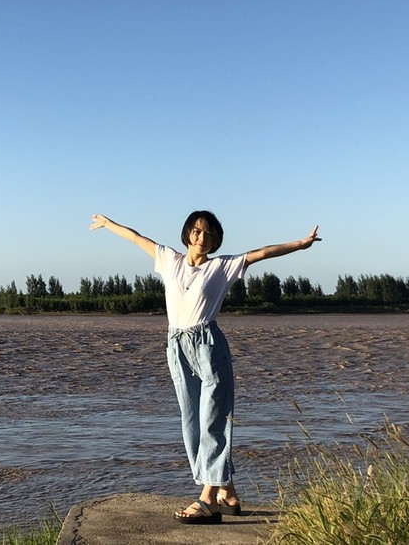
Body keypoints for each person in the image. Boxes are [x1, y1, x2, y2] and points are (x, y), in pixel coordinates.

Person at [89, 211, 320, 524]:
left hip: (208, 346)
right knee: (192, 422)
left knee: (213, 420)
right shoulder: (168, 259)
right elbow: (136, 238)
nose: (202, 238)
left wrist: (301, 244)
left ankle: (208, 499)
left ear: (216, 241)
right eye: (197, 231)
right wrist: (108, 224)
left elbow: (263, 253)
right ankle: (228, 492)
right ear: (188, 233)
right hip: (177, 346)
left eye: (209, 234)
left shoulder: (221, 266)